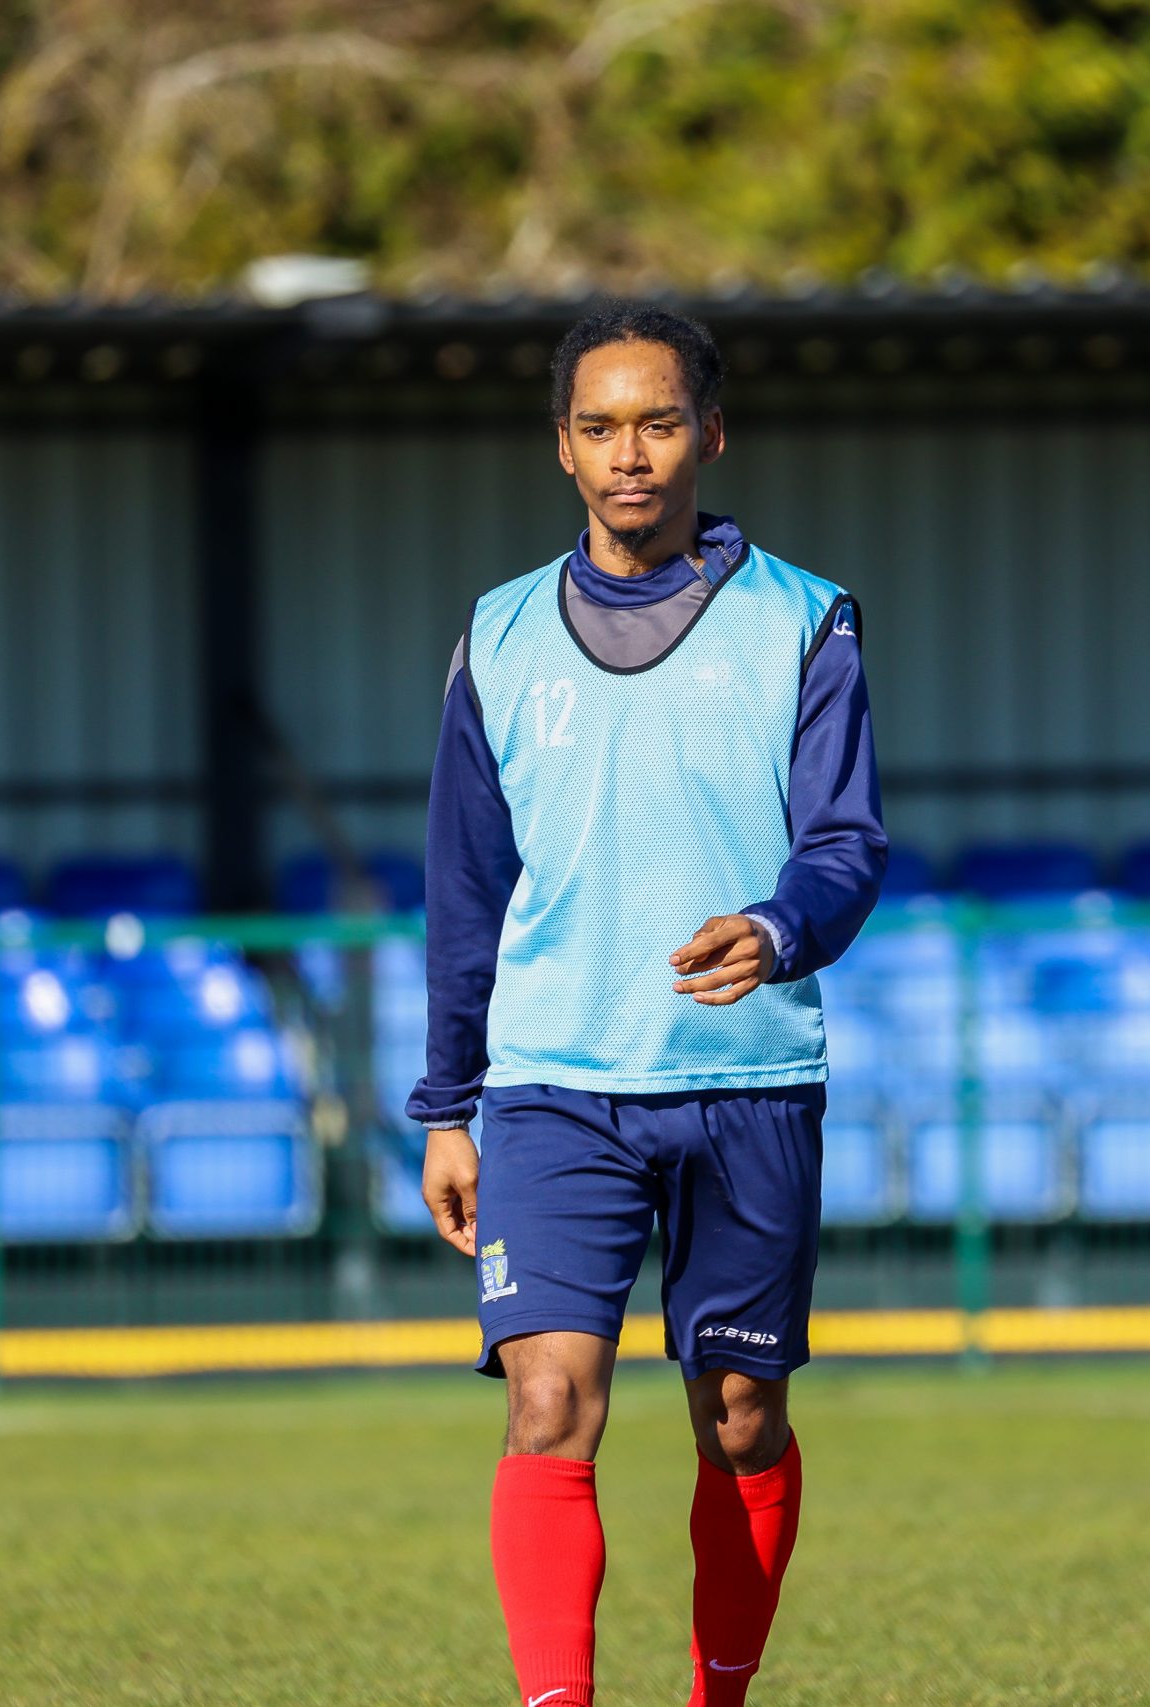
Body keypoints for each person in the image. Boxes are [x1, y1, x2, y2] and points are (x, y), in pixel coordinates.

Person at [409, 298, 887, 1707]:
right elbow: (464, 888)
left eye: (660, 423)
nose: (632, 454)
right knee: (548, 1400)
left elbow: (847, 846)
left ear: (710, 436)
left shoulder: (805, 621)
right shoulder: (498, 636)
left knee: (739, 1419)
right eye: (601, 427)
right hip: (554, 1086)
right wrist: (446, 1108)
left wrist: (779, 929)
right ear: (561, 447)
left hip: (746, 1082)